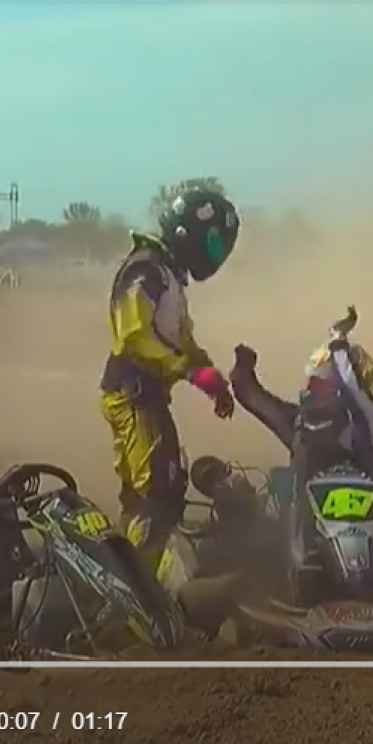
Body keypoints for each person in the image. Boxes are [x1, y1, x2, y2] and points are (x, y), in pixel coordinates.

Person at [99, 188, 240, 574]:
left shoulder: (166, 275)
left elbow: (180, 340)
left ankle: (134, 573)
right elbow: (134, 337)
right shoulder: (144, 270)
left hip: (147, 395)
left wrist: (211, 378)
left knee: (153, 492)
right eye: (212, 244)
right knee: (157, 493)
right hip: (132, 393)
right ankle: (141, 587)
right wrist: (191, 371)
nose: (215, 256)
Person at [229, 313, 373, 544]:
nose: (315, 391)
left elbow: (350, 388)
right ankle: (300, 551)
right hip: (314, 526)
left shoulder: (367, 420)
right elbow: (257, 400)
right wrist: (242, 371)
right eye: (314, 384)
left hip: (367, 521)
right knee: (281, 479)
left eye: (322, 383)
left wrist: (338, 342)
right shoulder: (300, 422)